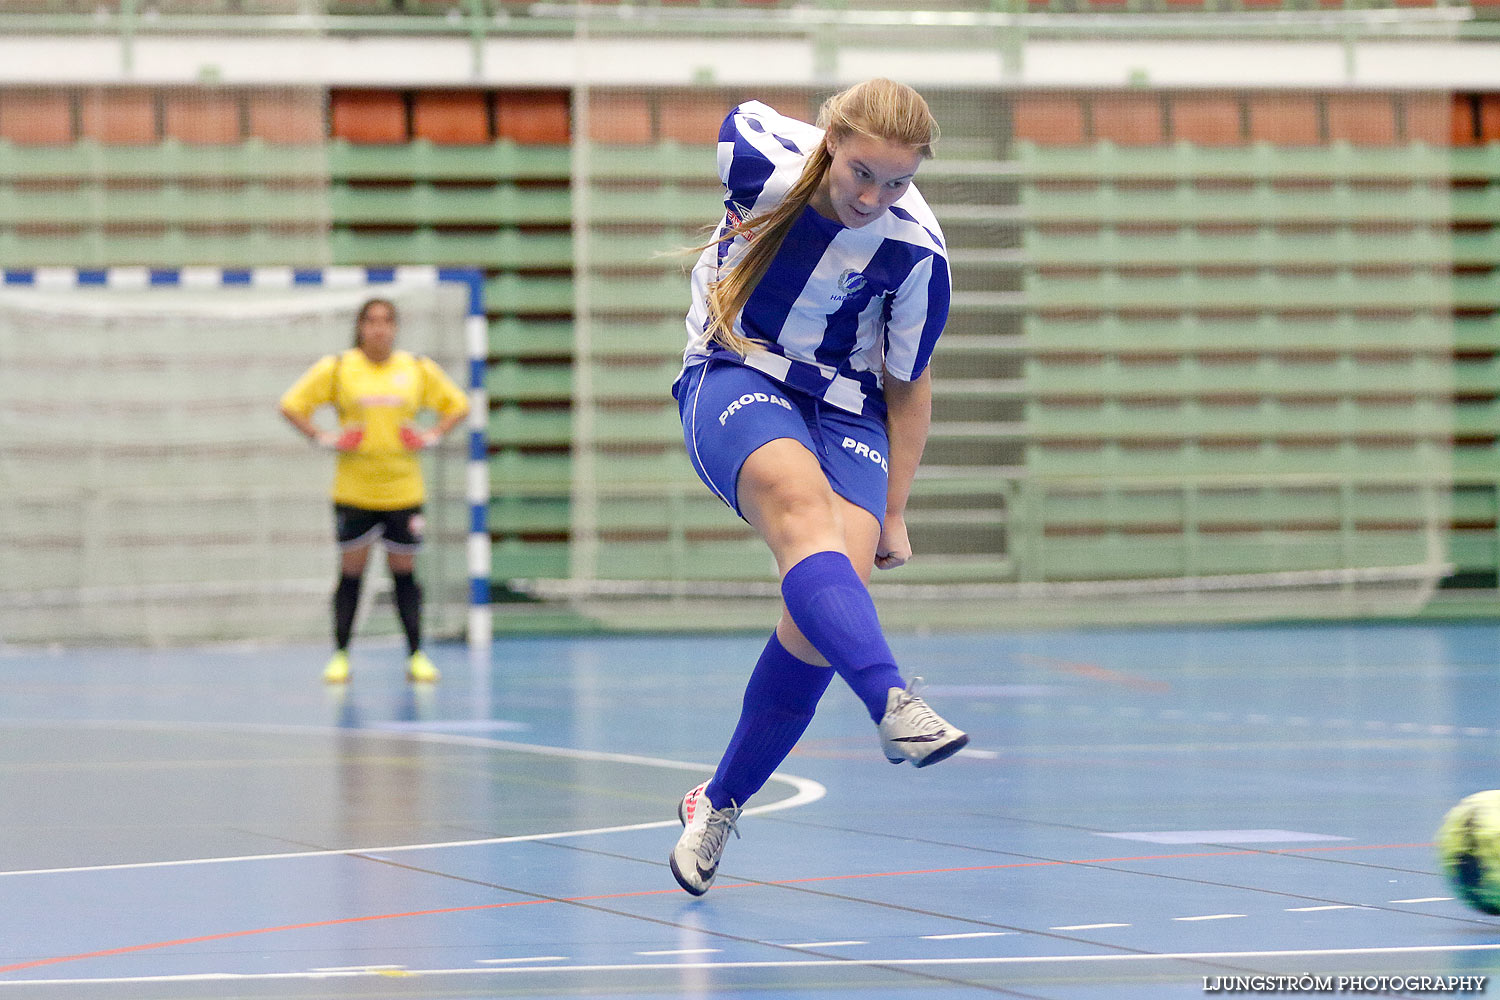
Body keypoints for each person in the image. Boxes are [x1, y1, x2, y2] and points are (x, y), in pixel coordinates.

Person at [668, 79, 968, 897]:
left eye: (897, 181)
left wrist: (896, 509)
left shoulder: (918, 253)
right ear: (832, 141)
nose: (875, 197)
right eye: (862, 171)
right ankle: (892, 699)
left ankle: (718, 799)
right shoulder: (760, 158)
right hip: (734, 369)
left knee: (834, 597)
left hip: (845, 407)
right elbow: (743, 115)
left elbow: (908, 383)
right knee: (803, 515)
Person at [279, 297, 469, 685]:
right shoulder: (338, 368)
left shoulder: (416, 369)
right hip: (355, 490)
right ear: (361, 327)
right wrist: (325, 438)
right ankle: (340, 656)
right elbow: (291, 405)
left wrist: (431, 435)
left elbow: (458, 405)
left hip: (403, 490)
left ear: (395, 328)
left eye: (386, 321)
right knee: (352, 573)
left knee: (404, 573)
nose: (379, 328)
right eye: (372, 321)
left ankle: (416, 655)